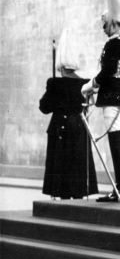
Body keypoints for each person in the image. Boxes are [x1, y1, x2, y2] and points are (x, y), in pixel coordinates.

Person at [82, 0, 120, 202]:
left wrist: (90, 85)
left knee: (116, 144)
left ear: (113, 22)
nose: (103, 28)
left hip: (114, 99)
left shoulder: (114, 43)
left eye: (105, 23)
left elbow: (106, 73)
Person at [39, 29, 99, 199]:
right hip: (79, 128)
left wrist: (53, 92)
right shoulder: (84, 82)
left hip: (60, 128)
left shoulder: (54, 83)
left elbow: (44, 107)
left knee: (61, 172)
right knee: (76, 169)